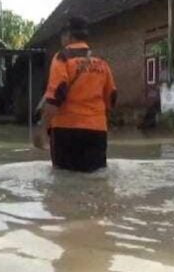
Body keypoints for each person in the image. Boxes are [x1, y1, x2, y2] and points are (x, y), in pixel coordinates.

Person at [33, 17, 117, 173]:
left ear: (68, 36)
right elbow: (111, 98)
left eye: (62, 36)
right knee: (96, 181)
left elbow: (55, 97)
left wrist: (42, 129)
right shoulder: (101, 62)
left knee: (63, 183)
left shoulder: (62, 58)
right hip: (96, 131)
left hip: (66, 131)